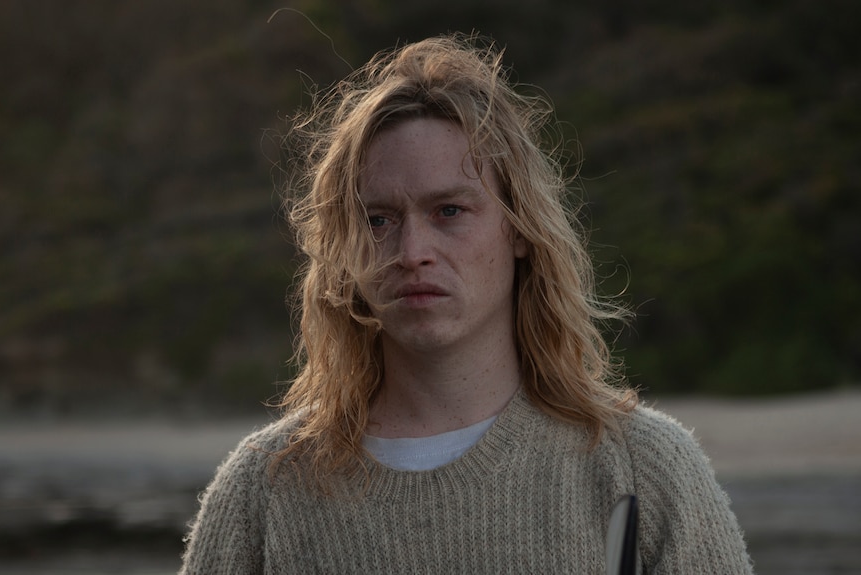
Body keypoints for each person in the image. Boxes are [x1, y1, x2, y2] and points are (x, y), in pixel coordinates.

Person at [180, 34, 753, 574]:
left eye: (448, 211)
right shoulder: (265, 489)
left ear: (520, 229)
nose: (412, 252)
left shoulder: (640, 469)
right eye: (378, 220)